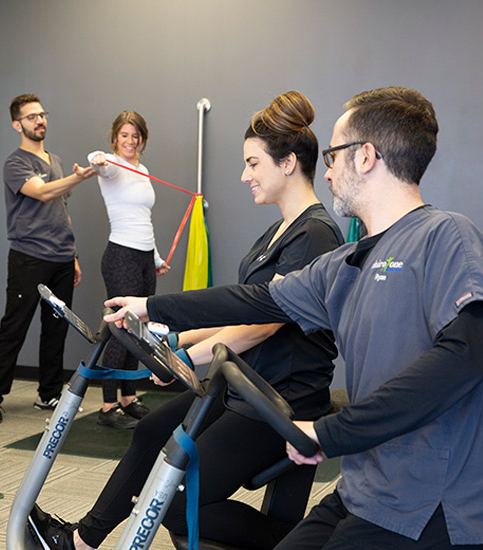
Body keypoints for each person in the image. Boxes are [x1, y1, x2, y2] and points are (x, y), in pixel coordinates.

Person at [105, 86, 483, 549]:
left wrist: (331, 432)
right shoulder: (346, 263)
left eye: (333, 155)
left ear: (365, 157)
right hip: (365, 489)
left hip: (445, 502)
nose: (326, 173)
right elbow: (253, 301)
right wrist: (150, 306)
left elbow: (464, 357)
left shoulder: (446, 235)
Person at [29, 91, 344, 549]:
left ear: (288, 163)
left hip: (280, 402)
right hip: (242, 385)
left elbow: (263, 322)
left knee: (175, 503)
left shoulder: (315, 234)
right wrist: (172, 340)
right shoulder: (275, 229)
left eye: (253, 164)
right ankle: (82, 539)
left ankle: (292, 541)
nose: (244, 175)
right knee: (153, 431)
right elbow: (237, 310)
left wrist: (187, 358)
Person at [0, 94, 98, 424]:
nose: (39, 121)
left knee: (55, 329)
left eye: (42, 115)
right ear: (17, 125)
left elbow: (61, 208)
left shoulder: (56, 161)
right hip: (28, 257)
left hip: (61, 257)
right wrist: (79, 177)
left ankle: (48, 393)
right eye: (31, 117)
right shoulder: (14, 163)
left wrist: (72, 255)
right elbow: (43, 192)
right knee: (14, 327)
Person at [87, 110, 171, 429]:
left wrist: (157, 258)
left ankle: (128, 398)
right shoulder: (111, 166)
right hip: (120, 255)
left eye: (135, 136)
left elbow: (143, 220)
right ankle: (108, 406)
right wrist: (97, 158)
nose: (130, 141)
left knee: (139, 327)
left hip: (144, 257)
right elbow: (99, 165)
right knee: (119, 329)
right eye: (125, 135)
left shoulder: (142, 169)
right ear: (115, 138)